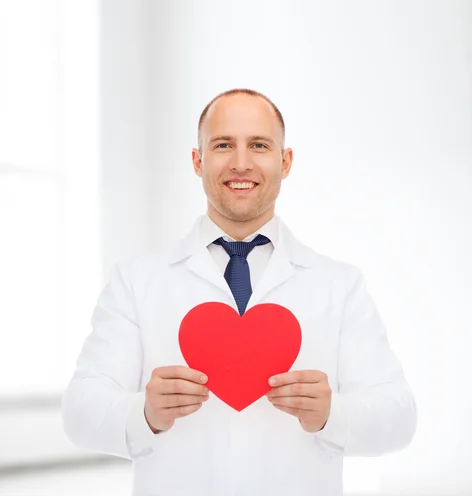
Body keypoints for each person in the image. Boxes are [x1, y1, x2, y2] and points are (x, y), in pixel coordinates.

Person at [61, 88, 417, 496]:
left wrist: (331, 414)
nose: (241, 163)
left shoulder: (339, 284)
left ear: (285, 162)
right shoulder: (136, 281)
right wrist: (143, 413)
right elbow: (79, 411)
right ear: (198, 161)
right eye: (223, 145)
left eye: (259, 145)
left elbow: (399, 417)